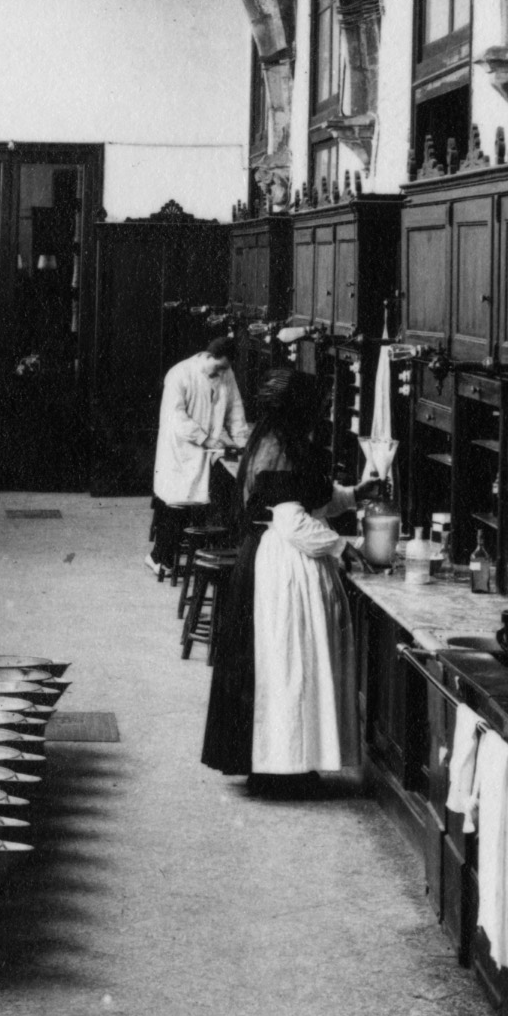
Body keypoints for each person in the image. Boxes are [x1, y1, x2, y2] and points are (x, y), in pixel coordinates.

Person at [199, 368, 363, 789]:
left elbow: (306, 500)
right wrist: (343, 547)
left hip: (269, 562)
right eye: (321, 404)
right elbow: (292, 522)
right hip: (281, 568)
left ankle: (280, 763)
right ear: (300, 408)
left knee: (276, 666)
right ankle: (282, 769)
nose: (325, 411)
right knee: (288, 666)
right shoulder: (281, 447)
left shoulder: (274, 440)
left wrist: (355, 495)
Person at [149, 328, 249, 580]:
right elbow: (176, 418)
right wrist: (205, 438)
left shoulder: (226, 373)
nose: (222, 374)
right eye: (219, 368)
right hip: (182, 449)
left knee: (213, 499)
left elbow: (235, 412)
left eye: (226, 369)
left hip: (209, 450)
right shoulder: (180, 374)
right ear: (208, 355)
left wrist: (242, 445)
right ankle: (159, 558)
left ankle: (205, 559)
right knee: (176, 505)